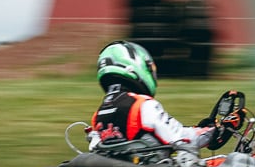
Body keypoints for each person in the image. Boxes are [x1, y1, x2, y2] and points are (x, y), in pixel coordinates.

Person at [88, 40, 232, 152]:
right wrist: (215, 131)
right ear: (133, 64)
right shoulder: (142, 104)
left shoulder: (99, 113)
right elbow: (182, 139)